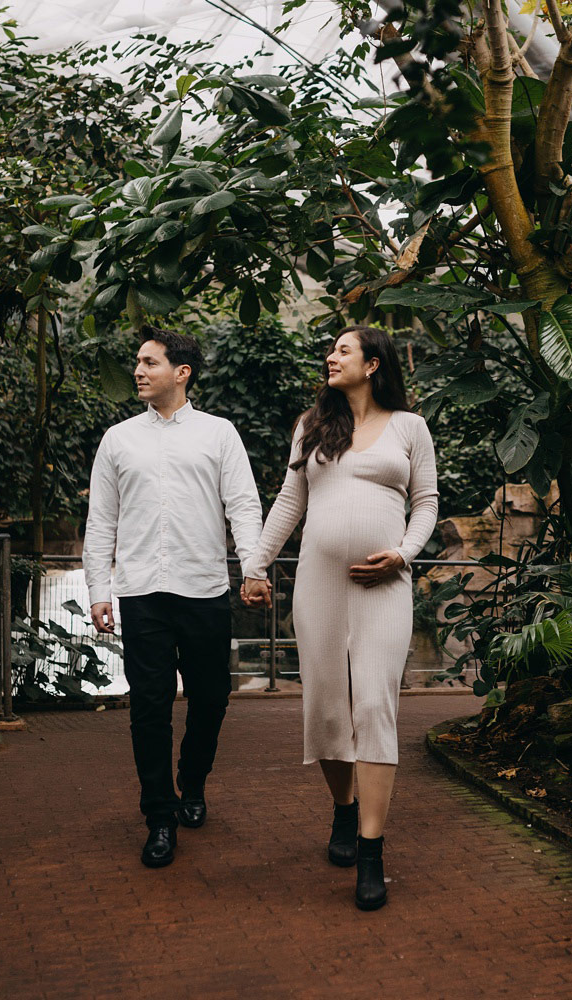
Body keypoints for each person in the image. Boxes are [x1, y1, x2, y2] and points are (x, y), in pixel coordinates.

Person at [244, 325, 438, 910]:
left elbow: (426, 503)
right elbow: (289, 502)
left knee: (375, 705)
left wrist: (402, 554)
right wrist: (256, 565)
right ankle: (344, 809)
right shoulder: (311, 426)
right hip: (319, 585)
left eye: (343, 350)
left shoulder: (410, 428)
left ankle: (372, 852)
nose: (330, 357)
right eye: (329, 350)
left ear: (373, 363)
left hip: (386, 584)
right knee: (328, 706)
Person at [83, 327, 270, 869]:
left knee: (211, 697)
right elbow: (101, 522)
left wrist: (252, 569)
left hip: (204, 589)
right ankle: (159, 817)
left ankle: (193, 779)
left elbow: (244, 507)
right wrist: (99, 589)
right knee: (149, 707)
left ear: (182, 372)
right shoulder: (118, 440)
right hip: (141, 592)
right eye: (137, 362)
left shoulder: (219, 434)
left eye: (149, 362)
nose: (138, 371)